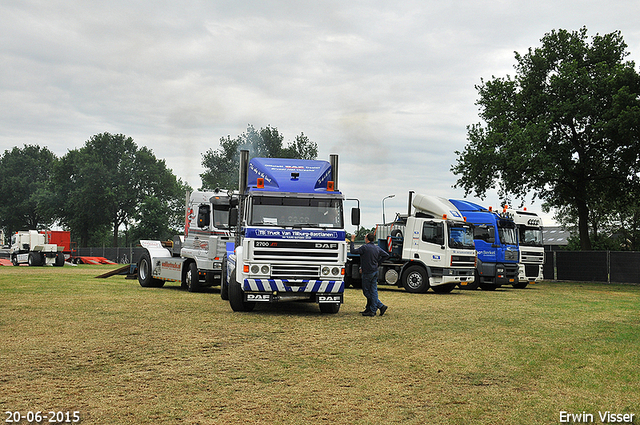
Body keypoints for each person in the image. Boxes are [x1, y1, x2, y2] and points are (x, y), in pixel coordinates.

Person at [349, 232, 389, 316]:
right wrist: (378, 263)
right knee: (373, 290)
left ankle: (378, 307)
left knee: (367, 292)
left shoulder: (365, 248)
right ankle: (369, 308)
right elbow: (386, 255)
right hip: (375, 271)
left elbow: (353, 251)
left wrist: (352, 241)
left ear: (367, 239)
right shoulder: (377, 248)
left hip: (367, 272)